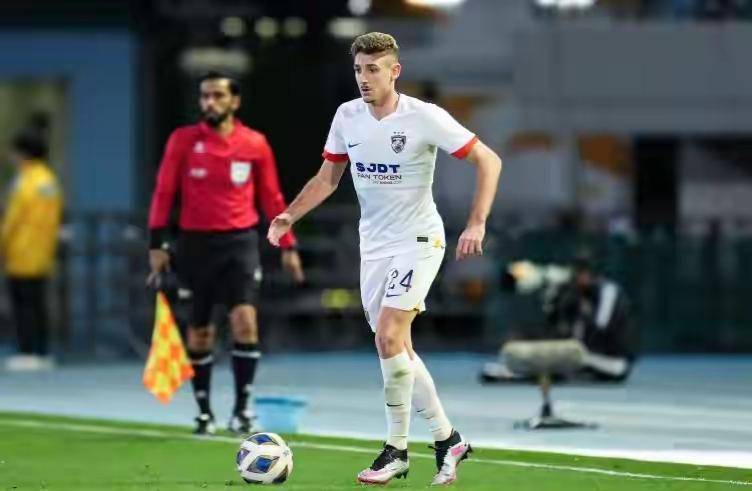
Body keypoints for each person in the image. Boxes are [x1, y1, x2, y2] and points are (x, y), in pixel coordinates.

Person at [268, 33, 502, 486]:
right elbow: (327, 178)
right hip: (373, 246)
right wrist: (289, 215)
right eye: (358, 69)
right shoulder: (347, 116)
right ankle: (448, 439)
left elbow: (489, 160)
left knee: (390, 335)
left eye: (373, 69)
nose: (364, 78)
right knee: (397, 349)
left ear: (395, 71)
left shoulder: (424, 117)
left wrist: (476, 223)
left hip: (419, 239)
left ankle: (396, 450)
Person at [147, 71, 304, 435]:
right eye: (205, 96)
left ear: (235, 101)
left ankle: (242, 409)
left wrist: (289, 245)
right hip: (195, 246)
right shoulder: (183, 141)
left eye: (218, 95)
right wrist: (156, 244)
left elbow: (271, 197)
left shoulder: (254, 144)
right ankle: (204, 412)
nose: (210, 102)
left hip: (239, 244)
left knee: (245, 321)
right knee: (199, 333)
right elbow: (163, 193)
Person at [1, 129, 63, 372]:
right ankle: (41, 351)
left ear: (22, 153)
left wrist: (3, 243)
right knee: (37, 304)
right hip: (43, 251)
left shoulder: (25, 181)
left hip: (21, 251)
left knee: (23, 304)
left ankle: (27, 351)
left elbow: (13, 218)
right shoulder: (49, 180)